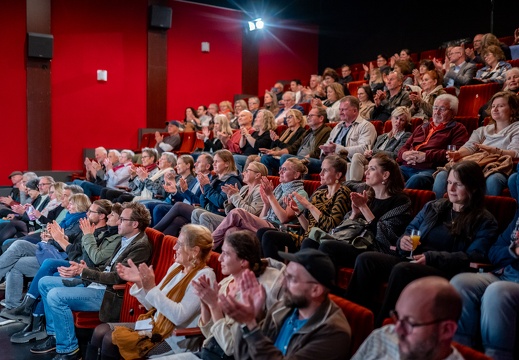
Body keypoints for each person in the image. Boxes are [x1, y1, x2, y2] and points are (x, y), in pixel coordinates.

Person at [346, 161, 498, 326]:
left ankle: (384, 326)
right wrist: (402, 241)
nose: (451, 189)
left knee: (402, 269)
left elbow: (475, 256)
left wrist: (431, 257)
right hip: (413, 259)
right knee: (366, 259)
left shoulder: (484, 220)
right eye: (449, 183)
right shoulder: (434, 206)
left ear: (473, 188)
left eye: (458, 184)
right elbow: (410, 230)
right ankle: (355, 320)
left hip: (443, 269)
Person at [29, 202, 153, 359]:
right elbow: (106, 267)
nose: (117, 222)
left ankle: (69, 350)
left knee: (55, 295)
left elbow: (117, 277)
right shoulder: (125, 239)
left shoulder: (140, 246)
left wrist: (85, 272)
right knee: (45, 282)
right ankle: (55, 336)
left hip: (110, 293)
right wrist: (82, 269)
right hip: (98, 284)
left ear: (134, 224)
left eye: (122, 219)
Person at [88, 224, 215, 359]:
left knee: (109, 339)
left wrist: (151, 288)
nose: (174, 248)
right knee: (99, 331)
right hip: (154, 325)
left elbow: (179, 316)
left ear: (194, 251)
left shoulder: (204, 276)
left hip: (174, 337)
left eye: (179, 244)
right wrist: (140, 282)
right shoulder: (177, 267)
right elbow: (152, 306)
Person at [3, 201, 122, 344]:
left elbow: (88, 258)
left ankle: (38, 321)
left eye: (91, 211)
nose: (87, 214)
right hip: (76, 264)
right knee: (18, 256)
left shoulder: (102, 233)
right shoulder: (92, 228)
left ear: (102, 215)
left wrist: (60, 239)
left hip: (87, 274)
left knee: (48, 272)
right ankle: (26, 312)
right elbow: (78, 249)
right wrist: (59, 239)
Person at [218, 248, 351, 360]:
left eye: (291, 279)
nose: (283, 283)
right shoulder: (283, 308)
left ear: (315, 290)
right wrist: (251, 318)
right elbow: (243, 355)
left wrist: (250, 324)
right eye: (285, 276)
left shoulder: (334, 332)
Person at [302, 154, 412, 269]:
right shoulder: (368, 195)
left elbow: (387, 237)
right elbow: (343, 227)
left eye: (372, 169)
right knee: (309, 242)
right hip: (352, 240)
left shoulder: (401, 201)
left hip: (374, 248)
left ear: (385, 175)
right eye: (367, 168)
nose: (366, 172)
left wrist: (364, 209)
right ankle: (302, 284)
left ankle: (320, 285)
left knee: (328, 246)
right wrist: (355, 213)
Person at [190, 230, 285, 360]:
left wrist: (214, 307)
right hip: (207, 352)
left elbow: (230, 348)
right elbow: (210, 335)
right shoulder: (225, 283)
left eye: (225, 254)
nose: (219, 258)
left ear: (243, 261)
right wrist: (205, 303)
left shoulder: (259, 291)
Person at [450, 207, 519, 359]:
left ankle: (495, 356)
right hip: (506, 274)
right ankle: (460, 351)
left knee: (497, 292)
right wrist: (514, 251)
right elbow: (493, 252)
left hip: (507, 284)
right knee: (461, 282)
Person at [0, 193, 89, 310]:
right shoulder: (69, 217)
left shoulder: (80, 222)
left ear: (79, 205)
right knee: (18, 244)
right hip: (49, 248)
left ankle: (12, 305)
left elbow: (66, 244)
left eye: (71, 204)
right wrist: (49, 236)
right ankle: (12, 304)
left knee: (16, 260)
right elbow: (59, 236)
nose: (68, 206)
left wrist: (51, 238)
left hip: (58, 255)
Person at [259, 155, 351, 261]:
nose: (320, 174)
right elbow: (308, 228)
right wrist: (298, 213)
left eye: (325, 171)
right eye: (321, 170)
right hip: (306, 236)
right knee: (265, 233)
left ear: (338, 175)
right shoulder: (319, 193)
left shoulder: (343, 193)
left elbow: (330, 226)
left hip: (322, 240)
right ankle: (268, 272)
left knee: (307, 241)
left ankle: (279, 272)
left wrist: (309, 206)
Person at [352, 276, 464, 360]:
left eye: (409, 323)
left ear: (446, 330)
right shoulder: (382, 337)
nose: (397, 329)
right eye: (397, 317)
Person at [210, 157, 309, 250]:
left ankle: (208, 245)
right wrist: (266, 205)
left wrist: (270, 196)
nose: (280, 172)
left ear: (296, 175)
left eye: (284, 170)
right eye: (280, 169)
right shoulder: (279, 189)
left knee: (237, 212)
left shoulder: (300, 193)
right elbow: (262, 218)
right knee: (231, 231)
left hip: (280, 230)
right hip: (266, 224)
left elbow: (284, 219)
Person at [434, 91, 519, 198]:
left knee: (493, 179)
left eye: (500, 106)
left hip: (500, 167)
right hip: (477, 164)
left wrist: (494, 151)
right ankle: (438, 211)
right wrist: (458, 154)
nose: (495, 109)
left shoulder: (516, 128)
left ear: (513, 109)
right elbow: (470, 147)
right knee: (442, 175)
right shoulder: (482, 130)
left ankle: (485, 213)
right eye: (493, 106)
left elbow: (516, 153)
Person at [154, 150, 241, 237]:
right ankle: (160, 243)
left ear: (226, 164)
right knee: (178, 220)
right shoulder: (216, 180)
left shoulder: (231, 181)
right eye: (213, 161)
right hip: (206, 210)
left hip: (217, 215)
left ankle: (154, 232)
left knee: (178, 205)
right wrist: (201, 191)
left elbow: (220, 203)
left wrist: (206, 186)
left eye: (217, 161)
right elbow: (203, 203)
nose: (213, 164)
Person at [398, 94, 469, 190]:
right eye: (435, 108)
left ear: (453, 113)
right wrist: (404, 154)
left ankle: (400, 203)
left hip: (430, 169)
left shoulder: (458, 129)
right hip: (407, 166)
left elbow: (454, 153)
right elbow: (404, 147)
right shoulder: (422, 126)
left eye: (442, 109)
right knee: (383, 171)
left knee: (417, 179)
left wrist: (426, 156)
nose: (437, 112)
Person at [192, 161, 266, 232]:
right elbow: (230, 211)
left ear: (257, 175)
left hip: (245, 224)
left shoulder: (260, 191)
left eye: (247, 171)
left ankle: (206, 243)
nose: (243, 173)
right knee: (196, 212)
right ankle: (196, 240)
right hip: (232, 218)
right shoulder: (245, 188)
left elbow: (250, 213)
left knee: (205, 216)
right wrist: (230, 199)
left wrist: (234, 196)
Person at [260, 106, 331, 175]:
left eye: (311, 115)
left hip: (312, 160)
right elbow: (293, 147)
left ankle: (284, 182)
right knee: (266, 158)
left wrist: (302, 159)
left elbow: (319, 151)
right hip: (299, 158)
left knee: (285, 157)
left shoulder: (326, 131)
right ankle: (268, 182)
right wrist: (275, 153)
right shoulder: (308, 131)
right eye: (308, 115)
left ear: (321, 118)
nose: (308, 118)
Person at [319, 96, 378, 179]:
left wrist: (337, 149)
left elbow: (364, 149)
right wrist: (325, 151)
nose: (340, 113)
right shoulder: (338, 126)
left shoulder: (366, 126)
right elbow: (328, 144)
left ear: (355, 110)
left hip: (347, 162)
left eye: (344, 109)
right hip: (330, 161)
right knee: (300, 163)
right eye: (340, 109)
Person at [350, 107, 412, 181]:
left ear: (406, 123)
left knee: (354, 167)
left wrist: (373, 152)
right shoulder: (382, 136)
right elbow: (373, 151)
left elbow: (395, 155)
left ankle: (354, 186)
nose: (398, 122)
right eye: (396, 118)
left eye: (402, 120)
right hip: (373, 161)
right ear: (392, 118)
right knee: (355, 157)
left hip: (386, 164)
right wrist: (368, 153)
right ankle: (352, 185)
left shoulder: (406, 136)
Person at [104, 151, 175, 203]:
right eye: (142, 157)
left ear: (170, 162)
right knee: (107, 192)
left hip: (148, 197)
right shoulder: (154, 171)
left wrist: (144, 179)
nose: (159, 160)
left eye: (162, 159)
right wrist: (133, 177)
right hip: (136, 193)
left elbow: (158, 191)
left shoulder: (167, 173)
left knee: (120, 198)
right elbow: (135, 187)